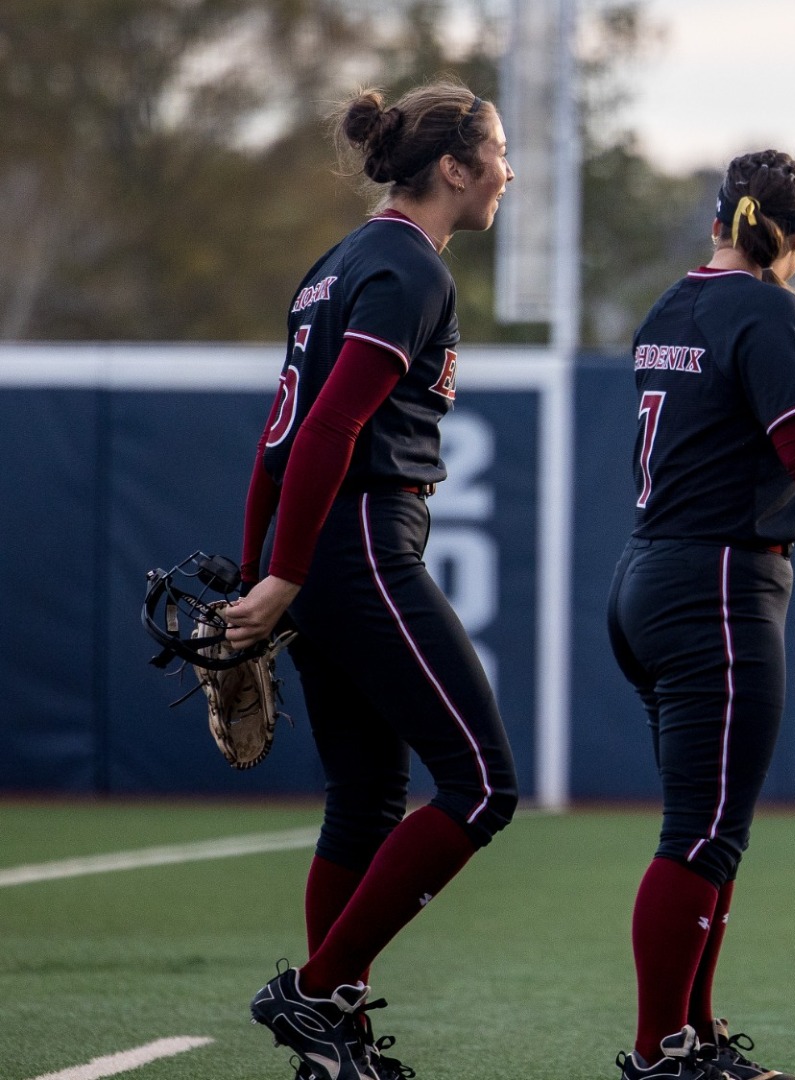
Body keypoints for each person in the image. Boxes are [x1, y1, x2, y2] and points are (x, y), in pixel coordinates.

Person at [222, 80, 517, 1080]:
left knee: (366, 793)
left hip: (323, 547)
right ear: (455, 168)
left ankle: (331, 1046)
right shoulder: (407, 265)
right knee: (481, 785)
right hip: (357, 541)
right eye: (499, 155)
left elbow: (277, 439)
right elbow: (329, 429)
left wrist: (263, 571)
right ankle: (317, 995)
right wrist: (285, 575)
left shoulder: (341, 259)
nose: (508, 173)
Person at [606, 149, 795, 1080]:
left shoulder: (673, 302)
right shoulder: (772, 306)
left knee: (708, 827)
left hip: (651, 573)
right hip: (719, 585)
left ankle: (692, 1037)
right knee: (701, 832)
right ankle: (663, 1048)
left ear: (716, 221)